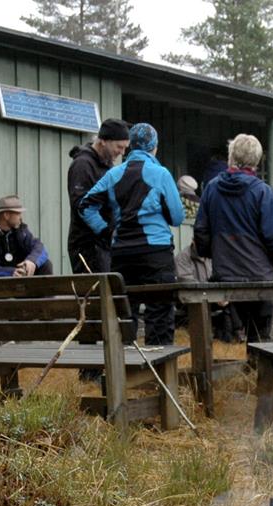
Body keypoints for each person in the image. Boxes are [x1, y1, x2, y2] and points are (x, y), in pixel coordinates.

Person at [81, 122, 184, 345]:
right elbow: (177, 217)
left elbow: (85, 205)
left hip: (122, 254)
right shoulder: (161, 173)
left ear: (131, 146)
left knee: (125, 314)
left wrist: (106, 231)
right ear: (154, 147)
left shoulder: (113, 174)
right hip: (156, 253)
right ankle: (158, 371)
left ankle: (125, 371)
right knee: (160, 313)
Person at [194, 133, 273, 343]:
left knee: (232, 332)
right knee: (260, 337)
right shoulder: (263, 192)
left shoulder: (211, 189)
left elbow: (201, 232)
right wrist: (271, 262)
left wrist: (215, 254)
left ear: (231, 156)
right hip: (259, 276)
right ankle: (258, 372)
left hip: (225, 276)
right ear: (256, 160)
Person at [67, 118, 129, 274]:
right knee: (95, 295)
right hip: (88, 245)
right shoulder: (82, 165)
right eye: (119, 147)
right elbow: (80, 206)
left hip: (105, 244)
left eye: (125, 148)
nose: (122, 152)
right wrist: (106, 232)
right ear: (103, 141)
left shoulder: (107, 165)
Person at [0, 195, 53, 278]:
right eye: (18, 213)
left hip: (21, 275)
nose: (21, 218)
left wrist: (31, 261)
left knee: (46, 265)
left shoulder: (21, 230)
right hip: (0, 279)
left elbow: (40, 248)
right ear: (6, 215)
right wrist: (11, 272)